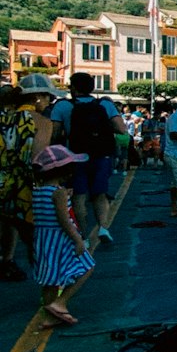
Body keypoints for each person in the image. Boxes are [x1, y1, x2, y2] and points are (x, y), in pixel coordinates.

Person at [49, 72, 125, 244]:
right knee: (100, 194)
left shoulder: (62, 106)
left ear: (73, 88)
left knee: (79, 196)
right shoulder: (105, 104)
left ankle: (83, 236)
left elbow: (54, 135)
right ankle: (103, 227)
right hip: (101, 155)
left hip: (74, 156)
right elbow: (121, 129)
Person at [31, 143, 95, 326]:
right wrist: (78, 240)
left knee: (49, 279)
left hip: (44, 240)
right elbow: (63, 219)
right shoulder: (58, 193)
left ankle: (49, 316)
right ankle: (61, 303)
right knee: (87, 266)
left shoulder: (38, 191)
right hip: (61, 238)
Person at [1, 75, 56, 279]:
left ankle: (6, 261)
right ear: (37, 98)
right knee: (35, 237)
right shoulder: (42, 122)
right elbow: (38, 159)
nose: (50, 102)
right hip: (24, 185)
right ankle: (49, 284)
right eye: (48, 97)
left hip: (2, 180)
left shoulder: (4, 117)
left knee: (6, 224)